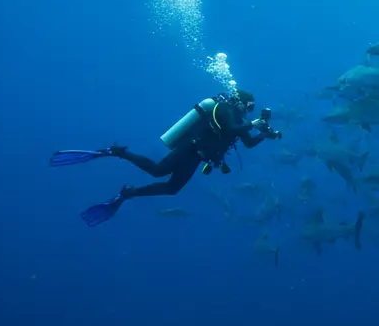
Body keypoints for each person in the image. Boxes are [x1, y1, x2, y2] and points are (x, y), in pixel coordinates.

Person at [50, 89, 283, 226]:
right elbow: (233, 130)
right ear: (242, 102)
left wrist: (264, 134)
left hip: (198, 157)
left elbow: (248, 143)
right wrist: (252, 123)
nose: (248, 112)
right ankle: (117, 151)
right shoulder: (224, 109)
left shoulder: (239, 119)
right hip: (190, 148)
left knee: (172, 189)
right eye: (249, 108)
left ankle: (127, 193)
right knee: (157, 171)